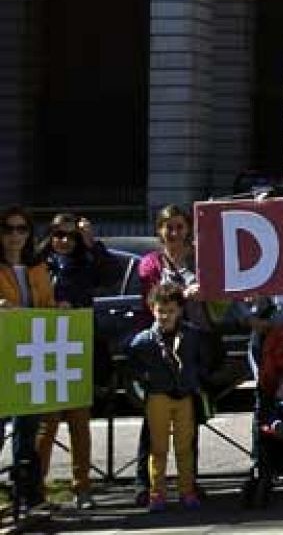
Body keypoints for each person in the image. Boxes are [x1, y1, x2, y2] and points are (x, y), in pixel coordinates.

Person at [37, 213, 111, 509]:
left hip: (79, 349)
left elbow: (110, 275)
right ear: (50, 236)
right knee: (47, 423)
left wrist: (93, 245)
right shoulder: (40, 264)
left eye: (71, 236)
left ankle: (82, 487)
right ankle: (36, 487)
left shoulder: (87, 262)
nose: (64, 241)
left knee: (80, 423)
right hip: (46, 349)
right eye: (58, 235)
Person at [128, 282, 209, 512]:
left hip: (184, 396)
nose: (165, 316)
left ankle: (187, 491)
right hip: (158, 396)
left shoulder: (191, 334)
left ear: (180, 311)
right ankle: (157, 494)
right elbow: (131, 365)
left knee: (185, 447)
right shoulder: (143, 340)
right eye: (161, 311)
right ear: (152, 309)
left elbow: (202, 359)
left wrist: (196, 378)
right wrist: (145, 383)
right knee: (158, 448)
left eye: (171, 311)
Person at [0, 207, 52, 516]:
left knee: (27, 431)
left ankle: (29, 498)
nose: (15, 235)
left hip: (30, 358)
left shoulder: (38, 267)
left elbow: (45, 304)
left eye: (22, 229)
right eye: (8, 229)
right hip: (2, 357)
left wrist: (58, 306)